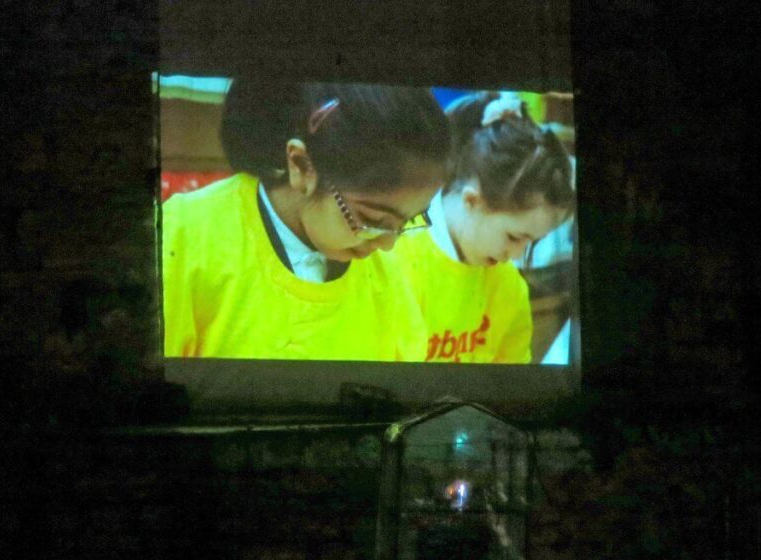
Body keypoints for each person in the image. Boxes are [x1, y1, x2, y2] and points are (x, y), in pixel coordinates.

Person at [161, 77, 450, 360]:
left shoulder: (388, 278)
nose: (387, 244)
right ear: (301, 165)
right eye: (372, 219)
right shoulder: (184, 238)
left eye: (409, 221)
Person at [392, 92, 575, 363]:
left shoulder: (508, 288)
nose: (515, 255)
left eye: (532, 242)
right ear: (471, 200)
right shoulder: (393, 259)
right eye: (514, 237)